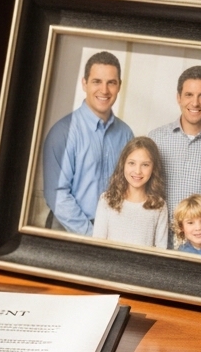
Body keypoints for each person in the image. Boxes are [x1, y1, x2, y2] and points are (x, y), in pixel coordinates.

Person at [41, 51, 134, 235]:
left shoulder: (126, 134)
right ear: (84, 83)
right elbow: (57, 194)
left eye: (111, 83)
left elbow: (131, 188)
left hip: (112, 231)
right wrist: (92, 236)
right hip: (68, 230)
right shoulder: (63, 132)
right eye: (97, 81)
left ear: (119, 86)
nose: (104, 90)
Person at [148, 65, 201, 219]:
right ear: (178, 97)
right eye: (188, 95)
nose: (195, 103)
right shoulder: (155, 139)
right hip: (158, 234)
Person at [92, 136, 169, 249]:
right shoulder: (107, 200)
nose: (138, 171)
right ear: (123, 164)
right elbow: (97, 246)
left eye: (145, 165)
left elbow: (161, 250)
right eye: (132, 163)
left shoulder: (159, 205)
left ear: (154, 168)